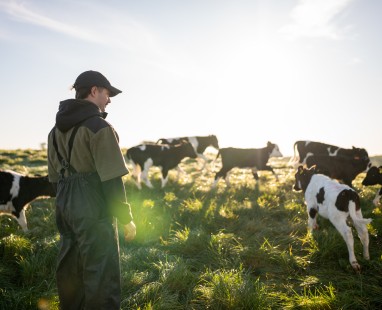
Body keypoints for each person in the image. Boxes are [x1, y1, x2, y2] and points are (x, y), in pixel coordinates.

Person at [47, 70, 136, 309]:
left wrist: (67, 204)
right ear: (94, 90)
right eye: (108, 94)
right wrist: (126, 218)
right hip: (94, 205)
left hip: (64, 206)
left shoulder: (54, 132)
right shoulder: (100, 127)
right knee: (102, 275)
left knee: (71, 272)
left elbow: (54, 179)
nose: (109, 100)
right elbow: (112, 179)